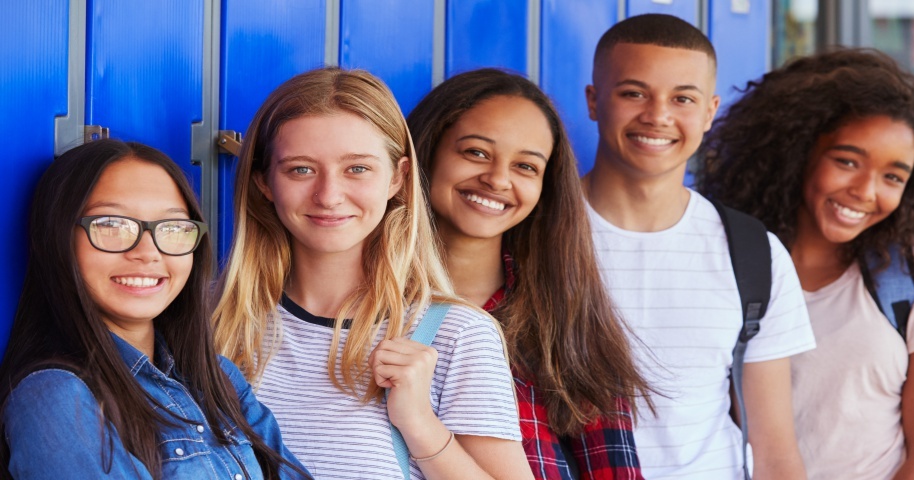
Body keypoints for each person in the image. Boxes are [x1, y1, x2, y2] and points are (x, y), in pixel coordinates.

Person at [211, 67, 532, 480]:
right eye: (301, 170)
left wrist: (420, 425)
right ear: (264, 182)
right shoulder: (210, 319)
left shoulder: (455, 335)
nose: (328, 196)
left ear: (397, 178)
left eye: (357, 169)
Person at [698, 49, 914, 479]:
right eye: (847, 161)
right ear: (799, 152)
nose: (866, 191)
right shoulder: (733, 261)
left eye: (893, 177)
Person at [582, 13, 816, 480]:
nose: (657, 115)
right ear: (593, 101)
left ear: (709, 112)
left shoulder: (753, 253)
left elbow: (773, 449)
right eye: (633, 93)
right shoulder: (533, 232)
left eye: (682, 98)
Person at [0, 139, 304, 479]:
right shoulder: (57, 398)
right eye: (111, 226)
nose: (148, 252)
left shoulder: (219, 379)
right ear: (58, 238)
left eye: (172, 227)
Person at [407, 68, 650, 479]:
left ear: (545, 187)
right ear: (427, 150)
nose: (498, 179)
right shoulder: (361, 301)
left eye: (526, 166)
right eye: (476, 153)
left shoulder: (568, 320)